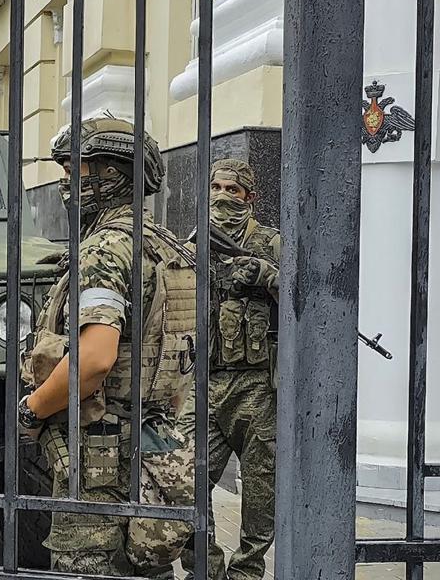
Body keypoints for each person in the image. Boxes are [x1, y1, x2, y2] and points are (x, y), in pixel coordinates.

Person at [18, 117, 196, 579]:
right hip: (153, 446)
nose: (65, 183)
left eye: (75, 170)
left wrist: (32, 411)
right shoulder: (169, 248)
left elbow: (95, 359)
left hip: (100, 457)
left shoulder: (107, 249)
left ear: (111, 175)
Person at [178, 158, 279, 580]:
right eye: (216, 187)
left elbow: (308, 294)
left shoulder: (271, 242)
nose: (222, 196)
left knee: (260, 495)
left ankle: (248, 573)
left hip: (255, 387)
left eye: (232, 190)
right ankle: (206, 569)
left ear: (250, 197)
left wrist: (267, 276)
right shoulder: (196, 241)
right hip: (203, 383)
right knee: (180, 480)